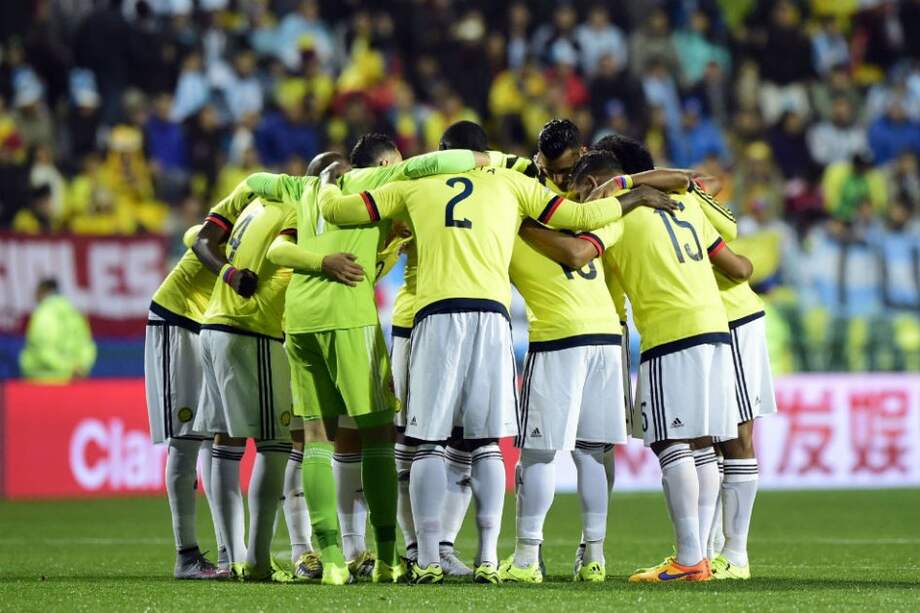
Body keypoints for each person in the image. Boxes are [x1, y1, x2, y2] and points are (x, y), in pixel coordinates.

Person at [317, 135, 679, 584]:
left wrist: (330, 181)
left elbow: (340, 211)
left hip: (434, 314)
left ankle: (426, 555)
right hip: (493, 318)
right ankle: (489, 556)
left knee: (424, 442)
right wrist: (634, 194)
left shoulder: (412, 183)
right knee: (489, 443)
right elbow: (582, 217)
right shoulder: (510, 184)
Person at [264, 139, 491, 585]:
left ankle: (330, 559)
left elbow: (269, 223)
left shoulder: (304, 192)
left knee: (315, 439)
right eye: (398, 165)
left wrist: (326, 254)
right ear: (386, 164)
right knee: (378, 437)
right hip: (348, 319)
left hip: (300, 319)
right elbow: (439, 161)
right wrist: (489, 159)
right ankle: (387, 557)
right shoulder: (374, 180)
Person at [597, 134, 778, 580]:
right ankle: (709, 550)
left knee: (727, 437)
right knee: (707, 438)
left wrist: (629, 185)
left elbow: (729, 224)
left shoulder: (648, 199)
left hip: (725, 317)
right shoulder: (674, 198)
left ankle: (727, 553)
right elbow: (735, 253)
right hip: (716, 315)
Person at [189, 176, 314, 583]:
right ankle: (257, 560)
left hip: (214, 326)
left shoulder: (256, 202)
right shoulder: (301, 209)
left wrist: (227, 274)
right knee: (276, 444)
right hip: (252, 330)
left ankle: (232, 555)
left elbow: (197, 236)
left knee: (224, 442)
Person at [144, 224, 225, 580]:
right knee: (187, 437)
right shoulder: (252, 213)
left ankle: (227, 550)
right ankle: (187, 555)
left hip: (207, 325)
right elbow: (194, 235)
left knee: (212, 434)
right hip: (176, 320)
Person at [19, 278, 96, 382]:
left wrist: (67, 368)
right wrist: (80, 368)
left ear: (42, 291)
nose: (34, 296)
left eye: (36, 291)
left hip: (43, 381)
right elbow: (87, 346)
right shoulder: (75, 313)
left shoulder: (43, 314)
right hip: (73, 380)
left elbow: (42, 349)